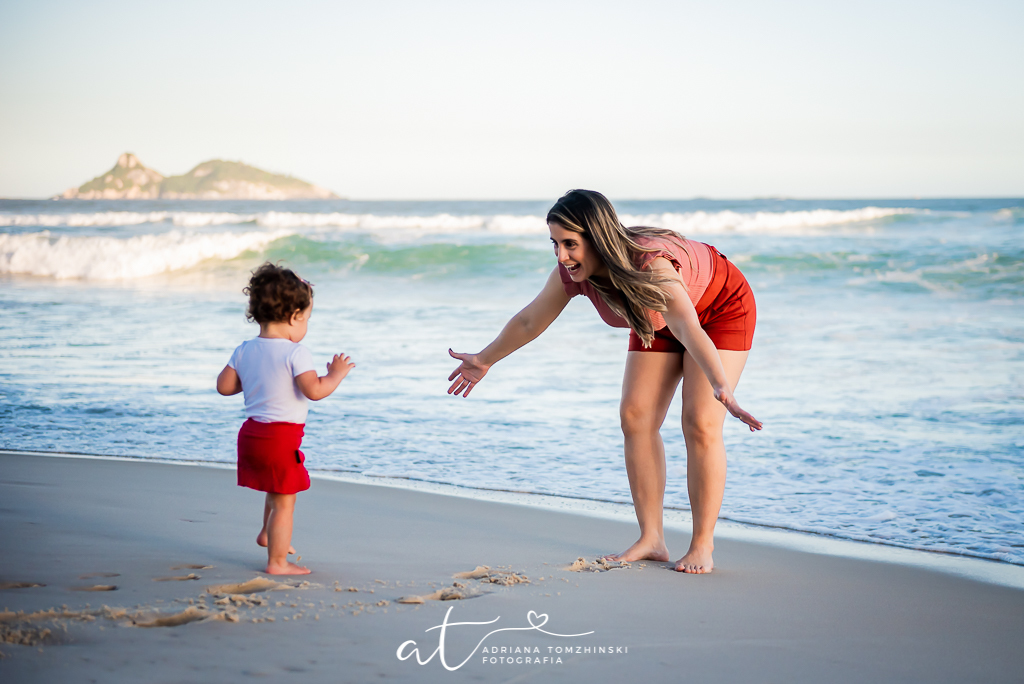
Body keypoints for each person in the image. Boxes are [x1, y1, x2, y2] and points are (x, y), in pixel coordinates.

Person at [447, 190, 761, 574]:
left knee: (700, 422)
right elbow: (531, 320)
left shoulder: (652, 267)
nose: (561, 256)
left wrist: (720, 385)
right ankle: (652, 539)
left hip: (717, 308)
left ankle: (702, 546)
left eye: (570, 244)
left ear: (597, 238)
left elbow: (685, 325)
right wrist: (484, 359)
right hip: (651, 315)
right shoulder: (572, 274)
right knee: (635, 416)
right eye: (555, 244)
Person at [217, 263, 355, 575]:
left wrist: (253, 378)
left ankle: (268, 534)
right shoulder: (296, 353)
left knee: (274, 487)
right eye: (306, 319)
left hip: (251, 435)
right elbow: (315, 390)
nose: (305, 325)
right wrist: (335, 374)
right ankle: (277, 562)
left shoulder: (244, 349)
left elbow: (224, 387)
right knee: (285, 501)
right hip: (280, 439)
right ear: (294, 316)